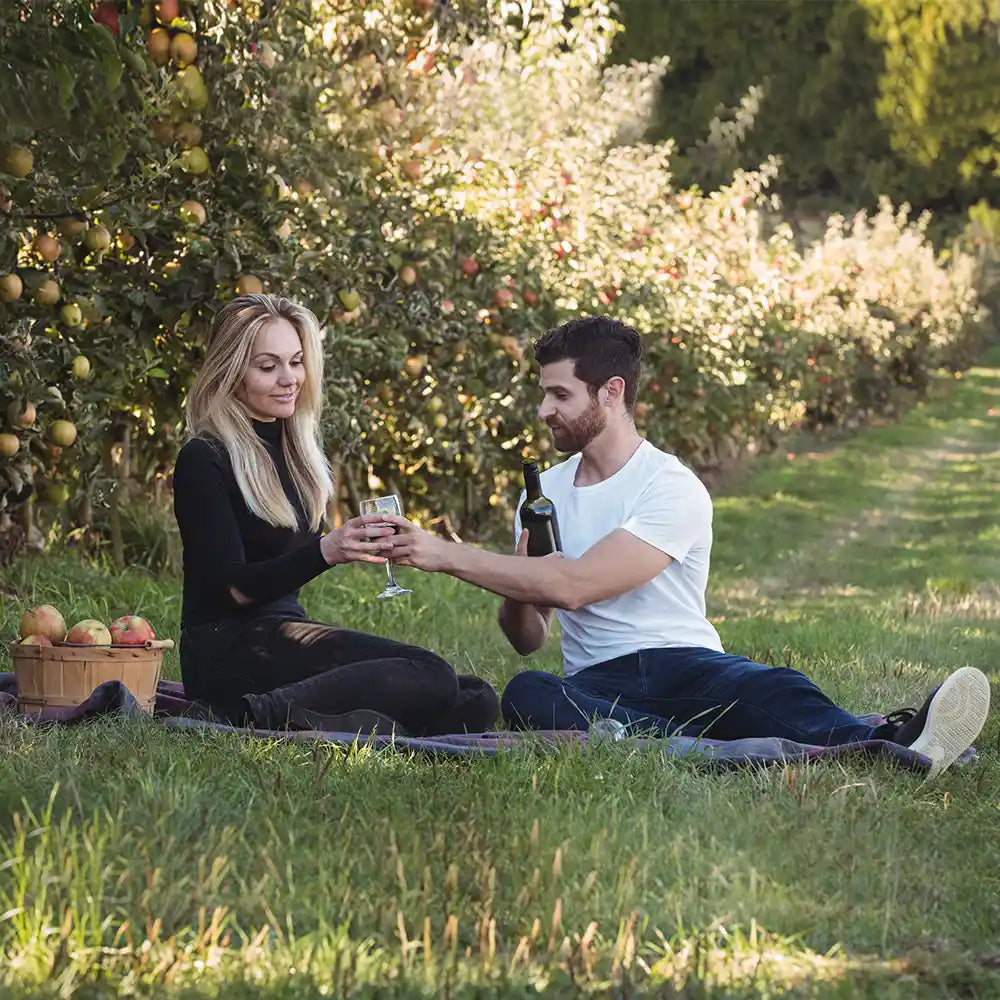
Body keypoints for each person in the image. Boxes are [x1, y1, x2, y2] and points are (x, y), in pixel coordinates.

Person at [383, 316, 990, 778]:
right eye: (544, 395)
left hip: (682, 664)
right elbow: (527, 638)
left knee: (769, 688)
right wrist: (519, 577)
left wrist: (443, 553)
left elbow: (574, 585)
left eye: (561, 395)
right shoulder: (544, 494)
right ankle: (687, 739)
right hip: (597, 680)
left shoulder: (669, 487)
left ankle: (897, 740)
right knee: (526, 693)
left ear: (612, 392)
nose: (545, 411)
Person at [172, 293, 499, 736]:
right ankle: (247, 716)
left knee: (476, 697)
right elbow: (232, 591)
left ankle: (345, 721)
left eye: (296, 361)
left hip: (284, 634)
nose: (289, 379)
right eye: (268, 367)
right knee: (431, 673)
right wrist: (326, 551)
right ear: (232, 373)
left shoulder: (296, 453)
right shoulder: (205, 457)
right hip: (228, 650)